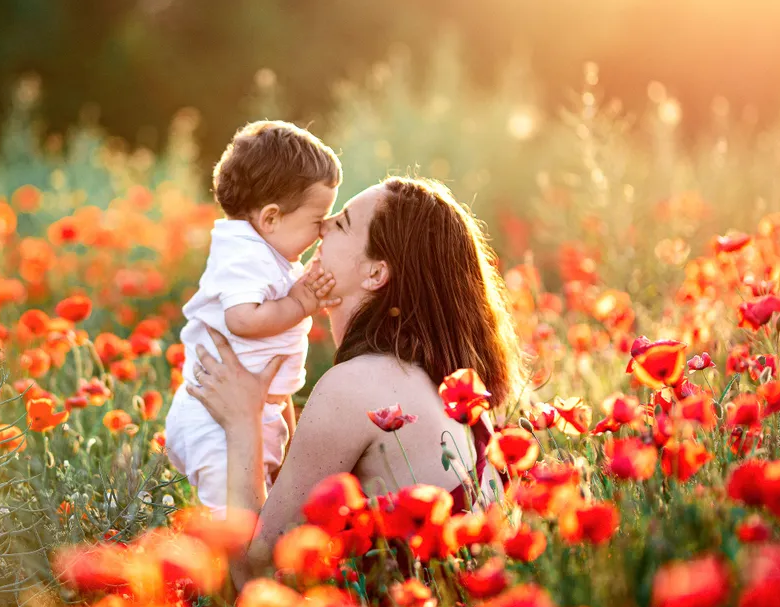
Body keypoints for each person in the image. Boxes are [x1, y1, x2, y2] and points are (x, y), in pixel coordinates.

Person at [185, 176, 525, 576]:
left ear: (376, 273)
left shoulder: (356, 386)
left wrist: (242, 425)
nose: (323, 224)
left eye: (343, 223)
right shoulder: (455, 392)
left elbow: (255, 574)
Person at [164, 120, 343, 517]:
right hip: (214, 419)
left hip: (251, 411)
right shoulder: (243, 254)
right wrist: (300, 304)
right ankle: (223, 578)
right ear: (271, 218)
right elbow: (242, 319)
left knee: (262, 511)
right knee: (234, 526)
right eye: (318, 221)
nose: (323, 230)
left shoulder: (272, 253)